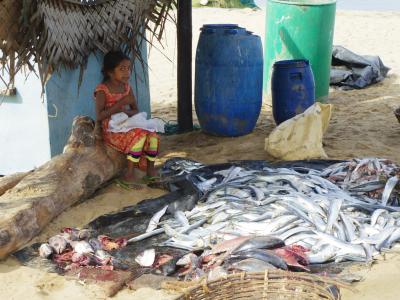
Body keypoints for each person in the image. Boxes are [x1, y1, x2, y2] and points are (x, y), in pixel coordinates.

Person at [94, 51, 160, 189]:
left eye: (128, 68)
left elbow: (136, 110)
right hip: (111, 129)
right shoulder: (102, 90)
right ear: (110, 72)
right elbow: (99, 116)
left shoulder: (127, 88)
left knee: (153, 135)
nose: (127, 72)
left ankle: (150, 169)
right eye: (122, 69)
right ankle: (128, 174)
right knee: (139, 136)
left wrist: (126, 112)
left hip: (126, 124)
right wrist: (119, 105)